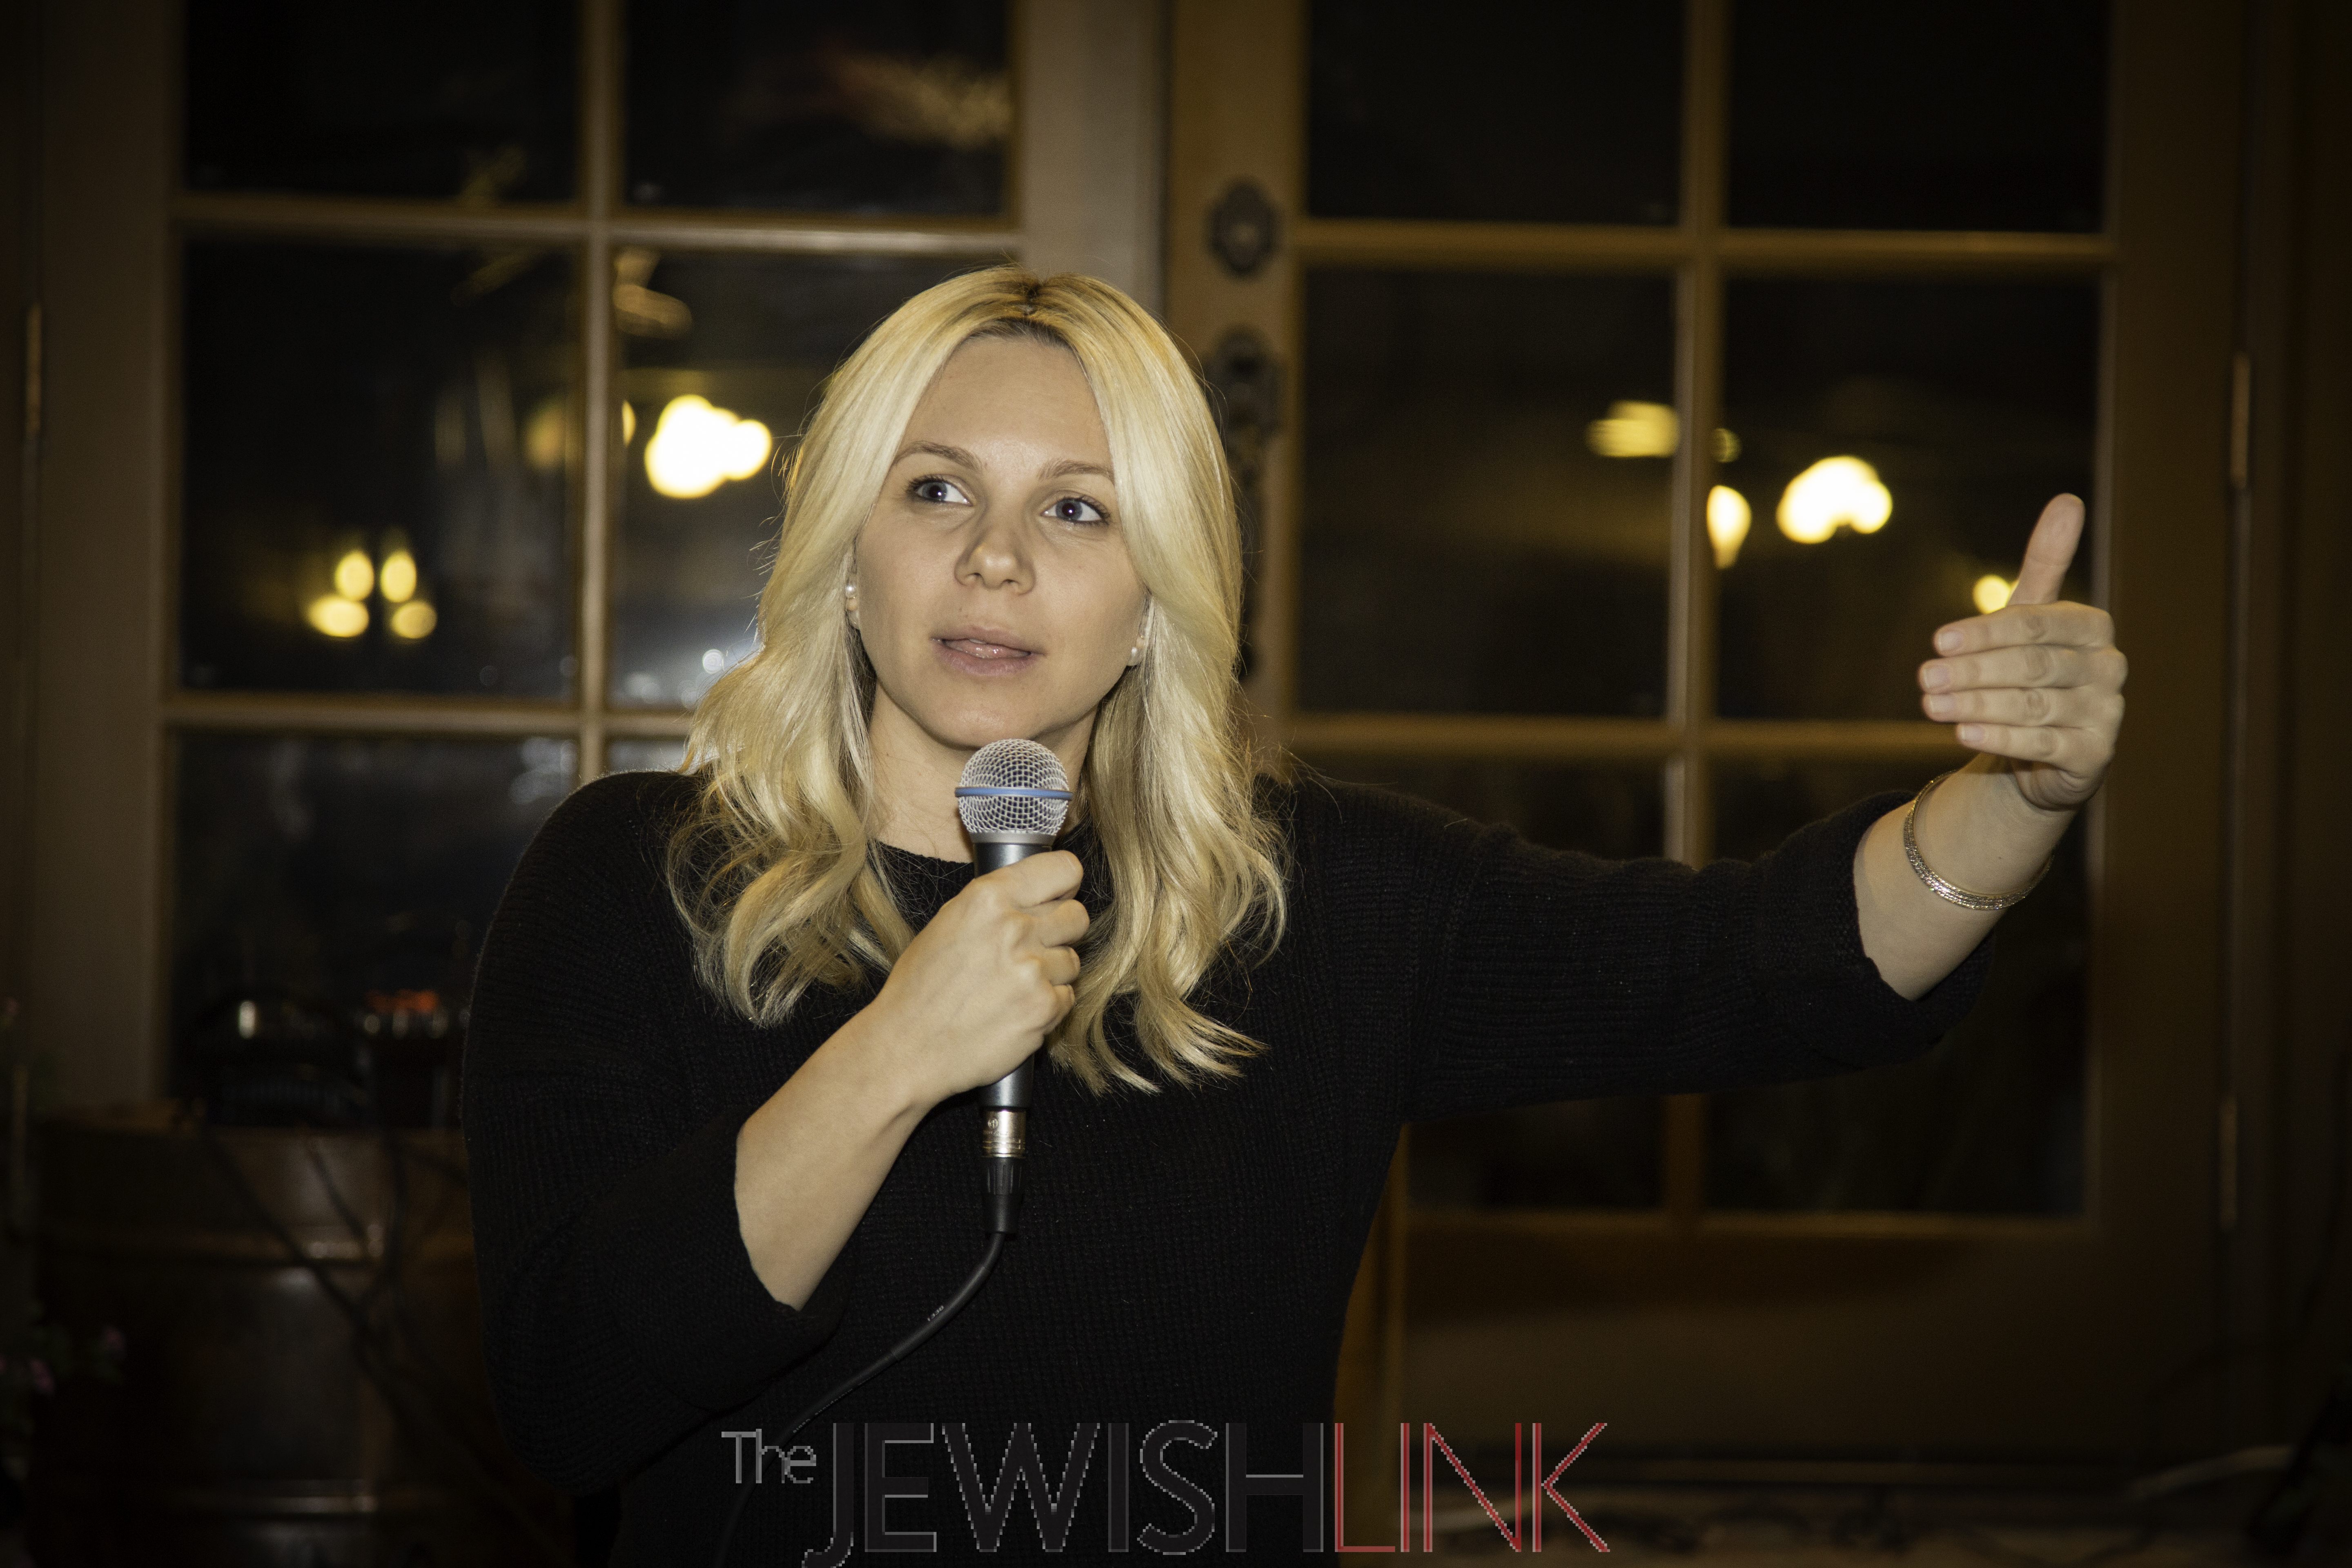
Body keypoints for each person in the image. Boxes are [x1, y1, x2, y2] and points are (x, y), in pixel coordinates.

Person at [461, 267, 2126, 1566]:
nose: (996, 562)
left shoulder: (1306, 903)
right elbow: (567, 1399)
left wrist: (2022, 794)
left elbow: (1764, 963)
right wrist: (894, 1055)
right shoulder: (634, 881)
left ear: (1156, 597)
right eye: (937, 492)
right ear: (847, 551)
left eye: (1079, 508)